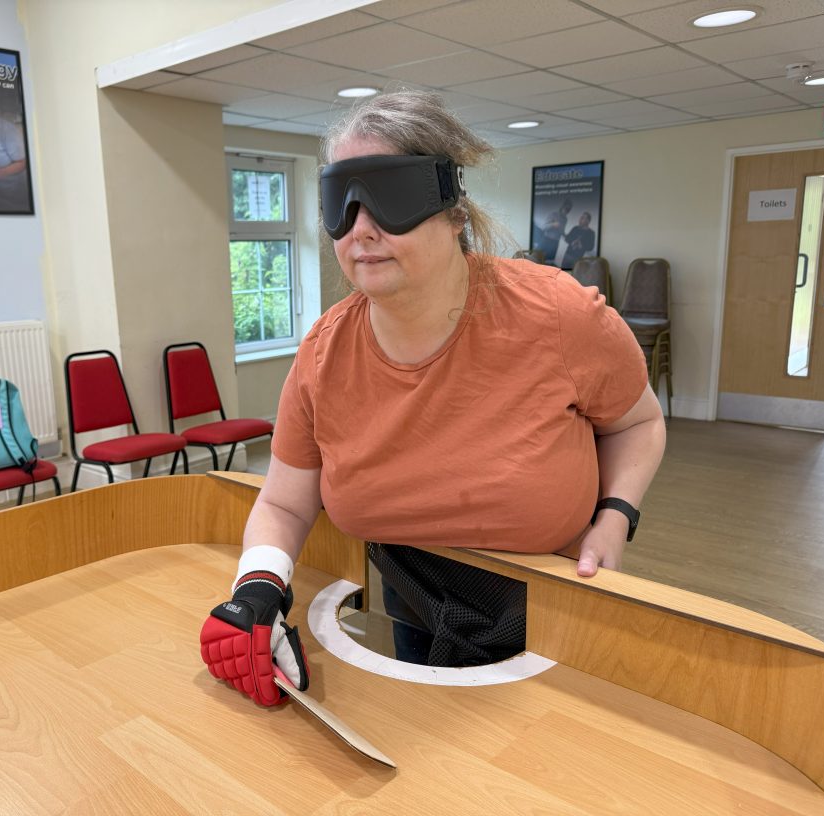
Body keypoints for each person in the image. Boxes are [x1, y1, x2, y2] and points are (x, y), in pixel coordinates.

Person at [200, 90, 666, 706]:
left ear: (452, 210)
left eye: (389, 198)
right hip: (412, 611)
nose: (361, 228)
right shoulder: (323, 354)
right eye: (342, 202)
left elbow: (637, 423)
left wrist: (615, 518)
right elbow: (285, 504)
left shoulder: (558, 315)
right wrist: (257, 587)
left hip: (558, 612)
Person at [538, 199, 572, 265]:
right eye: (566, 208)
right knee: (538, 260)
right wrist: (553, 225)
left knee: (549, 263)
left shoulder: (565, 219)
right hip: (546, 240)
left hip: (555, 243)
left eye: (568, 210)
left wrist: (565, 236)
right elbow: (544, 227)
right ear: (563, 206)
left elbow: (561, 231)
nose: (567, 211)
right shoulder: (553, 214)